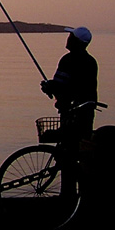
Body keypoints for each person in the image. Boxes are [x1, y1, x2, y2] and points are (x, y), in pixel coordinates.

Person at [41, 26, 98, 198]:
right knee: (82, 155)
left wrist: (48, 86)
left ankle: (68, 197)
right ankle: (84, 196)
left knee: (68, 156)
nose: (67, 38)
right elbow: (77, 86)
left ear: (77, 42)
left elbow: (60, 84)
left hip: (72, 113)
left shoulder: (68, 60)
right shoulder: (90, 61)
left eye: (70, 36)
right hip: (86, 112)